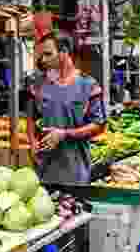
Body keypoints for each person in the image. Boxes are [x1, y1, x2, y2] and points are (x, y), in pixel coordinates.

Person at [22, 33, 107, 183]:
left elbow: (99, 125)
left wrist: (64, 134)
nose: (43, 60)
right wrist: (32, 142)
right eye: (42, 55)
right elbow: (30, 116)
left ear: (64, 53)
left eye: (48, 54)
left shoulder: (88, 85)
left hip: (77, 170)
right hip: (44, 170)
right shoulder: (36, 85)